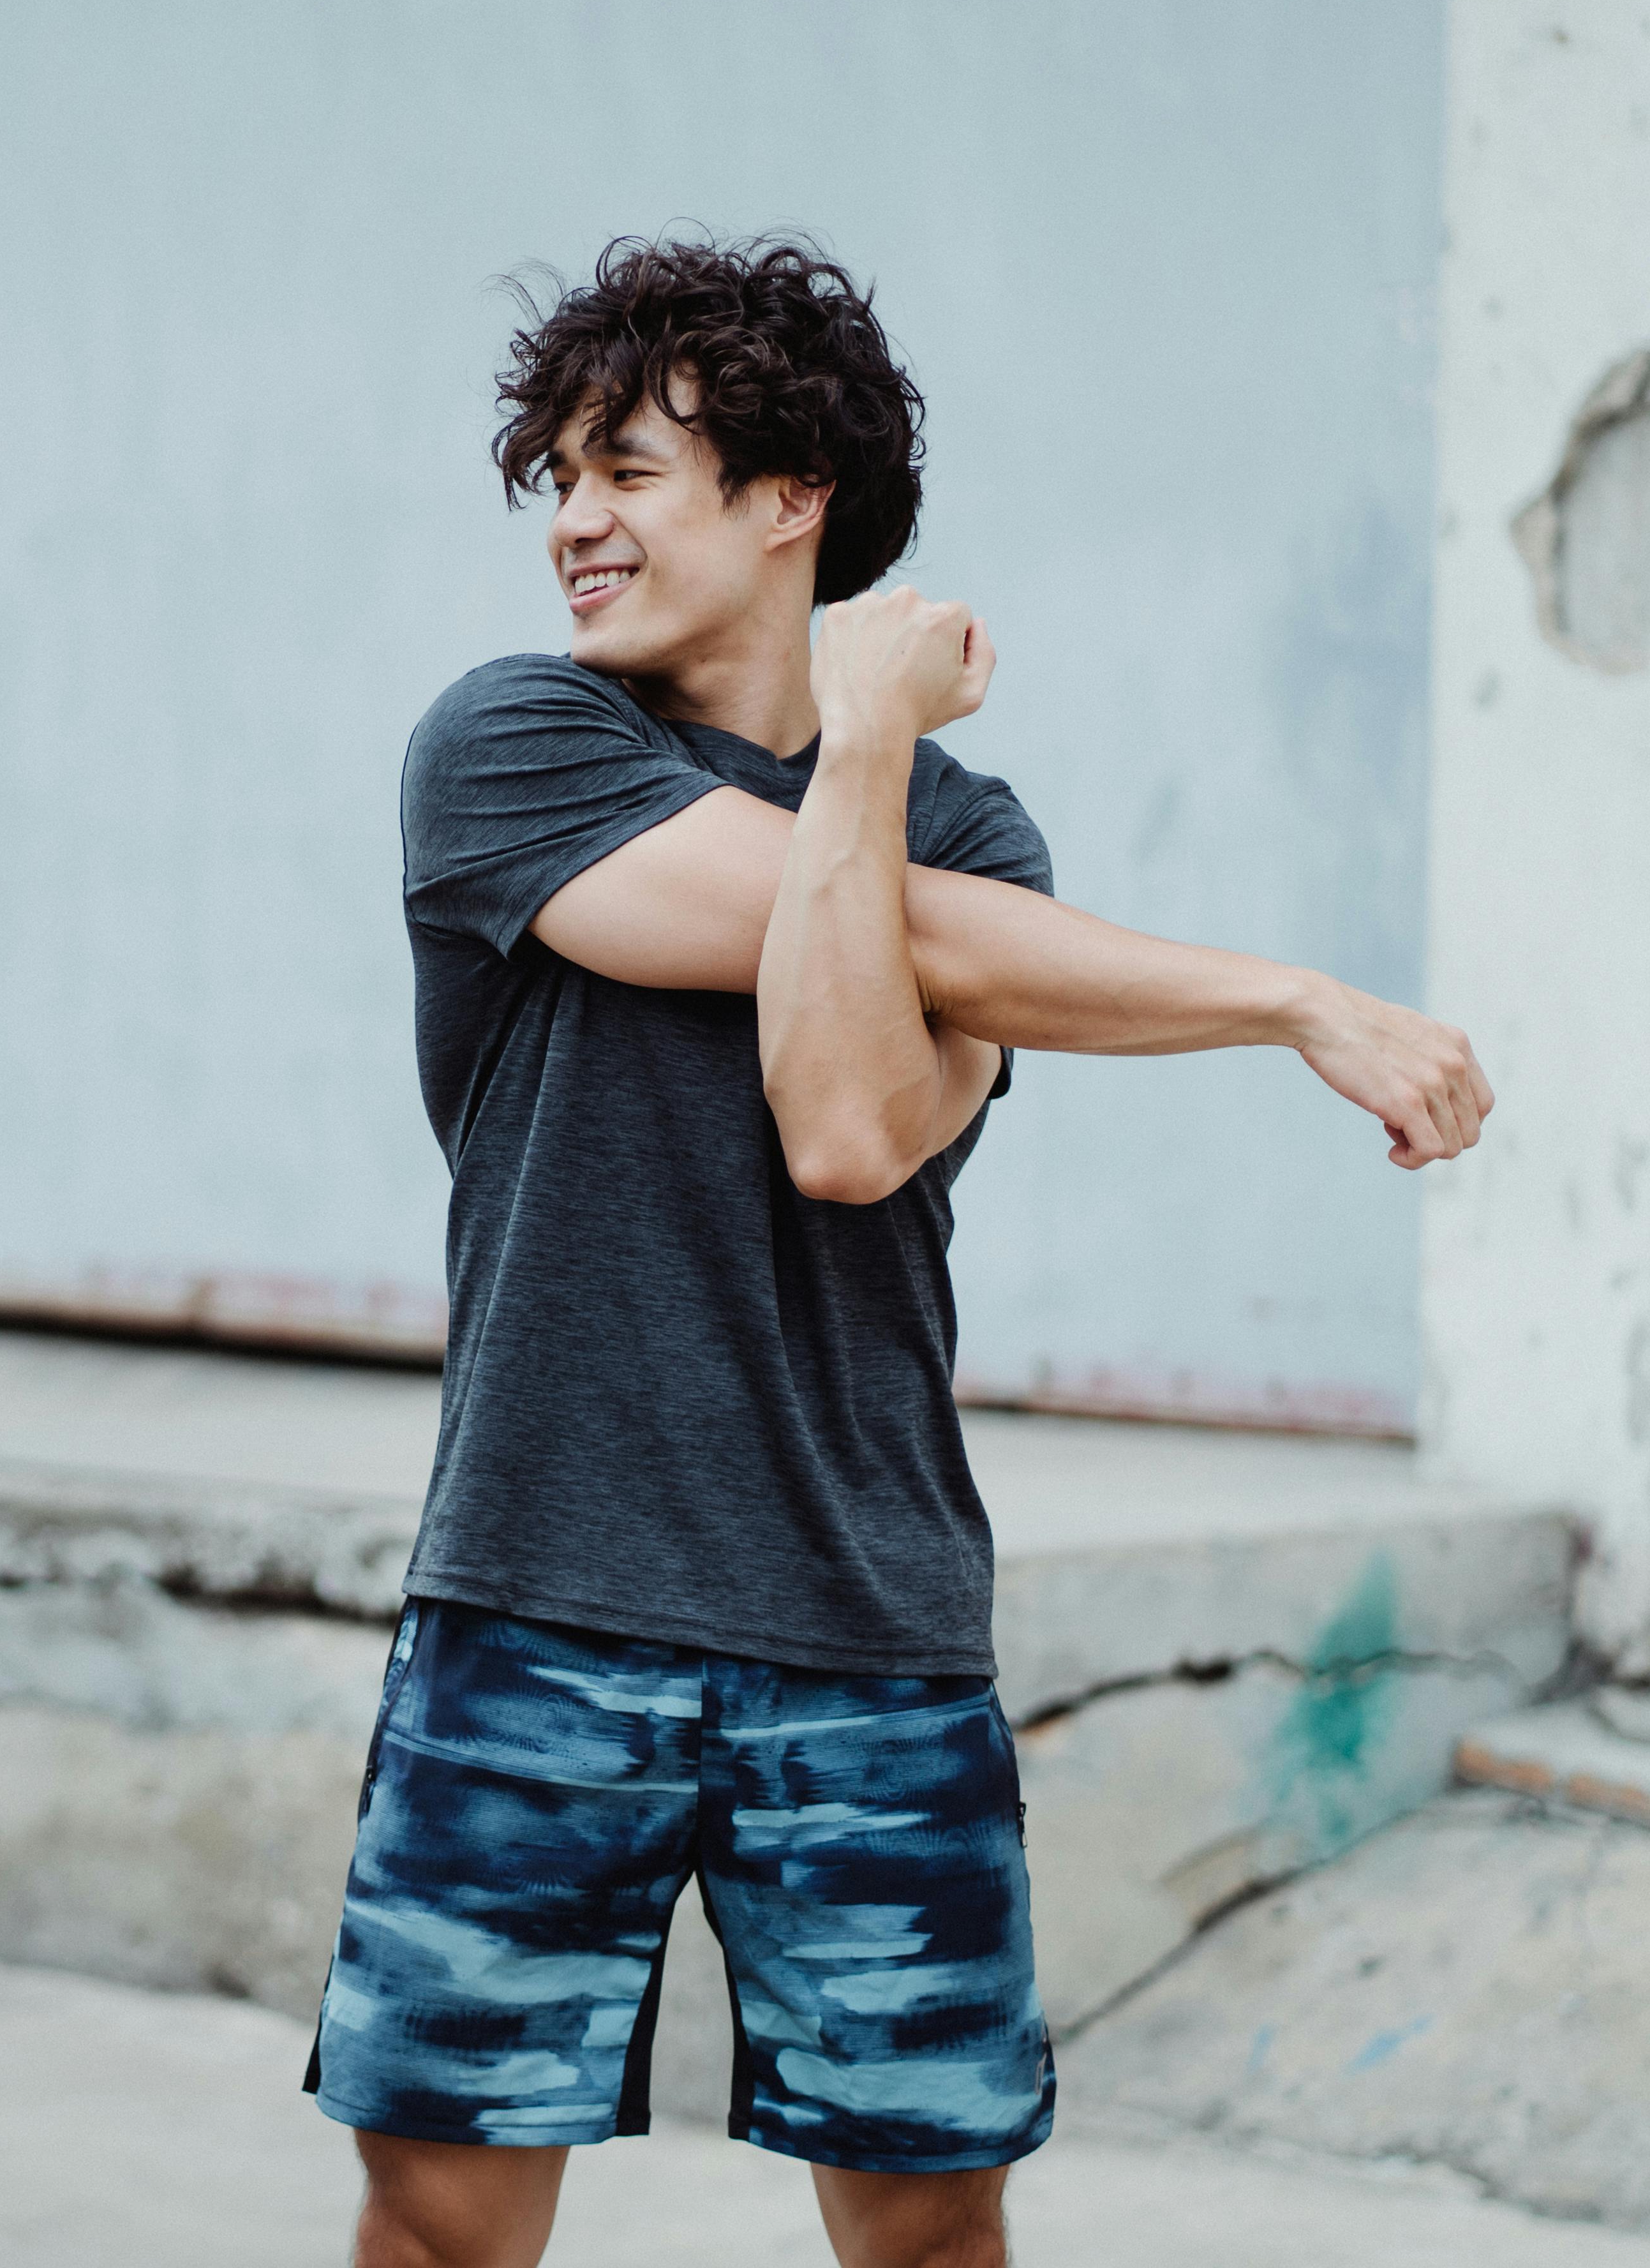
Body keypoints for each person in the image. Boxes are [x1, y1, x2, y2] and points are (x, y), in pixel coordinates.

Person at [308, 238, 1492, 2268]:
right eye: (556, 482)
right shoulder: (511, 748)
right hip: (539, 1590)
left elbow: (849, 1129)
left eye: (628, 473)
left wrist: (873, 769)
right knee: (441, 2224)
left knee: (933, 2229)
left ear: (793, 502)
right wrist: (1291, 997)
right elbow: (884, 942)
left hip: (866, 1625)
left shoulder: (982, 835)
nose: (573, 524)